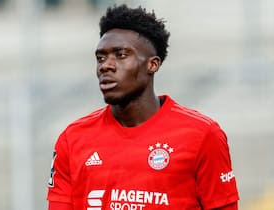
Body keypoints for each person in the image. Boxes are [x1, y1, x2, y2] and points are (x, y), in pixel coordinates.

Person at [47, 4, 239, 210]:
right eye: (100, 58)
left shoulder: (202, 134)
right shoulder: (73, 138)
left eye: (120, 55)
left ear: (152, 64)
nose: (106, 65)